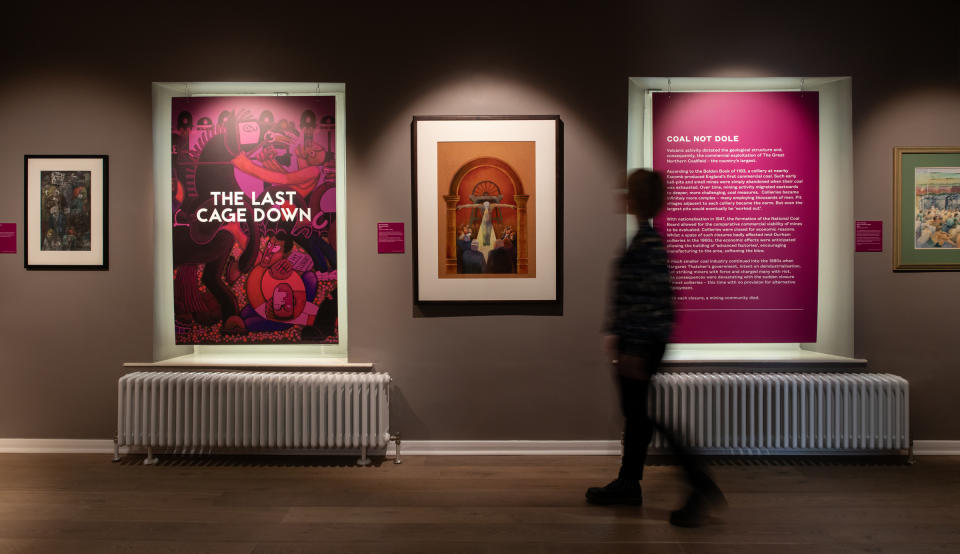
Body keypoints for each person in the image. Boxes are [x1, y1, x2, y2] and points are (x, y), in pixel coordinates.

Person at [585, 169, 725, 527]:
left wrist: (634, 348)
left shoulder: (647, 244)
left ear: (637, 198)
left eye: (628, 191)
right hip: (640, 341)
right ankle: (630, 483)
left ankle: (697, 482)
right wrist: (617, 333)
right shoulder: (646, 239)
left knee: (643, 416)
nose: (623, 196)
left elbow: (651, 302)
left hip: (642, 344)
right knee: (637, 415)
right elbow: (642, 298)